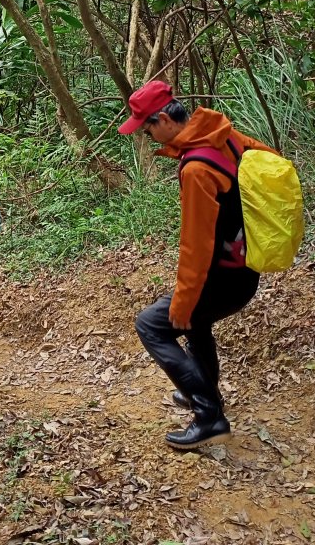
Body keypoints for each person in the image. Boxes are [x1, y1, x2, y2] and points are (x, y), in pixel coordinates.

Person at [118, 80, 277, 450]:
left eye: (147, 126)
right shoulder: (224, 136)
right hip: (243, 267)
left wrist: (183, 301)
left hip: (221, 278)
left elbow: (196, 246)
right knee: (196, 322)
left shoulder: (196, 170)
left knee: (153, 324)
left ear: (164, 120)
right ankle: (201, 393)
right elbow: (268, 158)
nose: (146, 133)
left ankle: (209, 415)